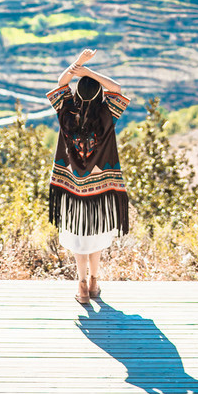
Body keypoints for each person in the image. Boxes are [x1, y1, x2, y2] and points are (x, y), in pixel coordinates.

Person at [46, 47, 130, 305]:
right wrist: (90, 71)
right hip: (99, 191)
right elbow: (116, 89)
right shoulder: (107, 115)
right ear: (98, 95)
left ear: (77, 95)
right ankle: (95, 281)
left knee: (76, 239)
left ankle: (81, 286)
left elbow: (61, 83)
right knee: (95, 238)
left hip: (71, 189)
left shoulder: (66, 111)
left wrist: (77, 64)